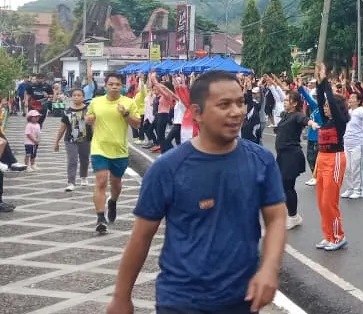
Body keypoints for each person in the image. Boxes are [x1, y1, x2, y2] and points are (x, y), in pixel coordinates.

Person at [106, 70, 286, 314]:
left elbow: (276, 217)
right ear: (197, 113)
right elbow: (141, 237)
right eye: (224, 105)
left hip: (242, 299)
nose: (236, 112)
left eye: (240, 102)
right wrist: (121, 296)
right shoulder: (167, 169)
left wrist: (269, 268)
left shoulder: (261, 160)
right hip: (181, 300)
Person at [86, 73, 145, 234]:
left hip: (119, 151)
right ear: (105, 86)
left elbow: (137, 124)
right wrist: (89, 120)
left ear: (122, 87)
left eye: (117, 84)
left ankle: (113, 201)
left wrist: (125, 113)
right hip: (99, 149)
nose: (114, 87)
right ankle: (100, 218)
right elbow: (89, 118)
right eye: (111, 84)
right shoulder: (96, 102)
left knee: (116, 183)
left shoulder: (128, 102)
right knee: (101, 181)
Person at [309, 63, 350, 251]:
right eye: (324, 106)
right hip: (323, 159)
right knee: (320, 202)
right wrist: (319, 83)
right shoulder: (326, 122)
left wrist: (325, 80)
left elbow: (331, 102)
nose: (325, 108)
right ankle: (328, 235)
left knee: (329, 201)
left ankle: (338, 236)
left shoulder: (340, 122)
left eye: (328, 106)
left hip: (335, 160)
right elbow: (320, 103)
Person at [276, 90, 310, 230]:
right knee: (282, 186)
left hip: (292, 156)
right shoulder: (285, 115)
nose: (284, 102)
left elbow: (304, 120)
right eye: (284, 100)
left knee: (288, 187)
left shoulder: (297, 115)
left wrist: (311, 123)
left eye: (287, 100)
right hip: (282, 156)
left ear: (294, 103)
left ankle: (293, 216)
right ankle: (292, 215)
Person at [54, 87, 92, 191]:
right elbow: (62, 127)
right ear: (71, 97)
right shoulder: (67, 111)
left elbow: (94, 124)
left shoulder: (88, 109)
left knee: (84, 159)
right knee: (72, 160)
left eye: (79, 95)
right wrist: (57, 141)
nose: (76, 97)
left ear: (83, 97)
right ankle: (71, 182)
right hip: (70, 140)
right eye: (74, 95)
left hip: (85, 139)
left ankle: (83, 177)